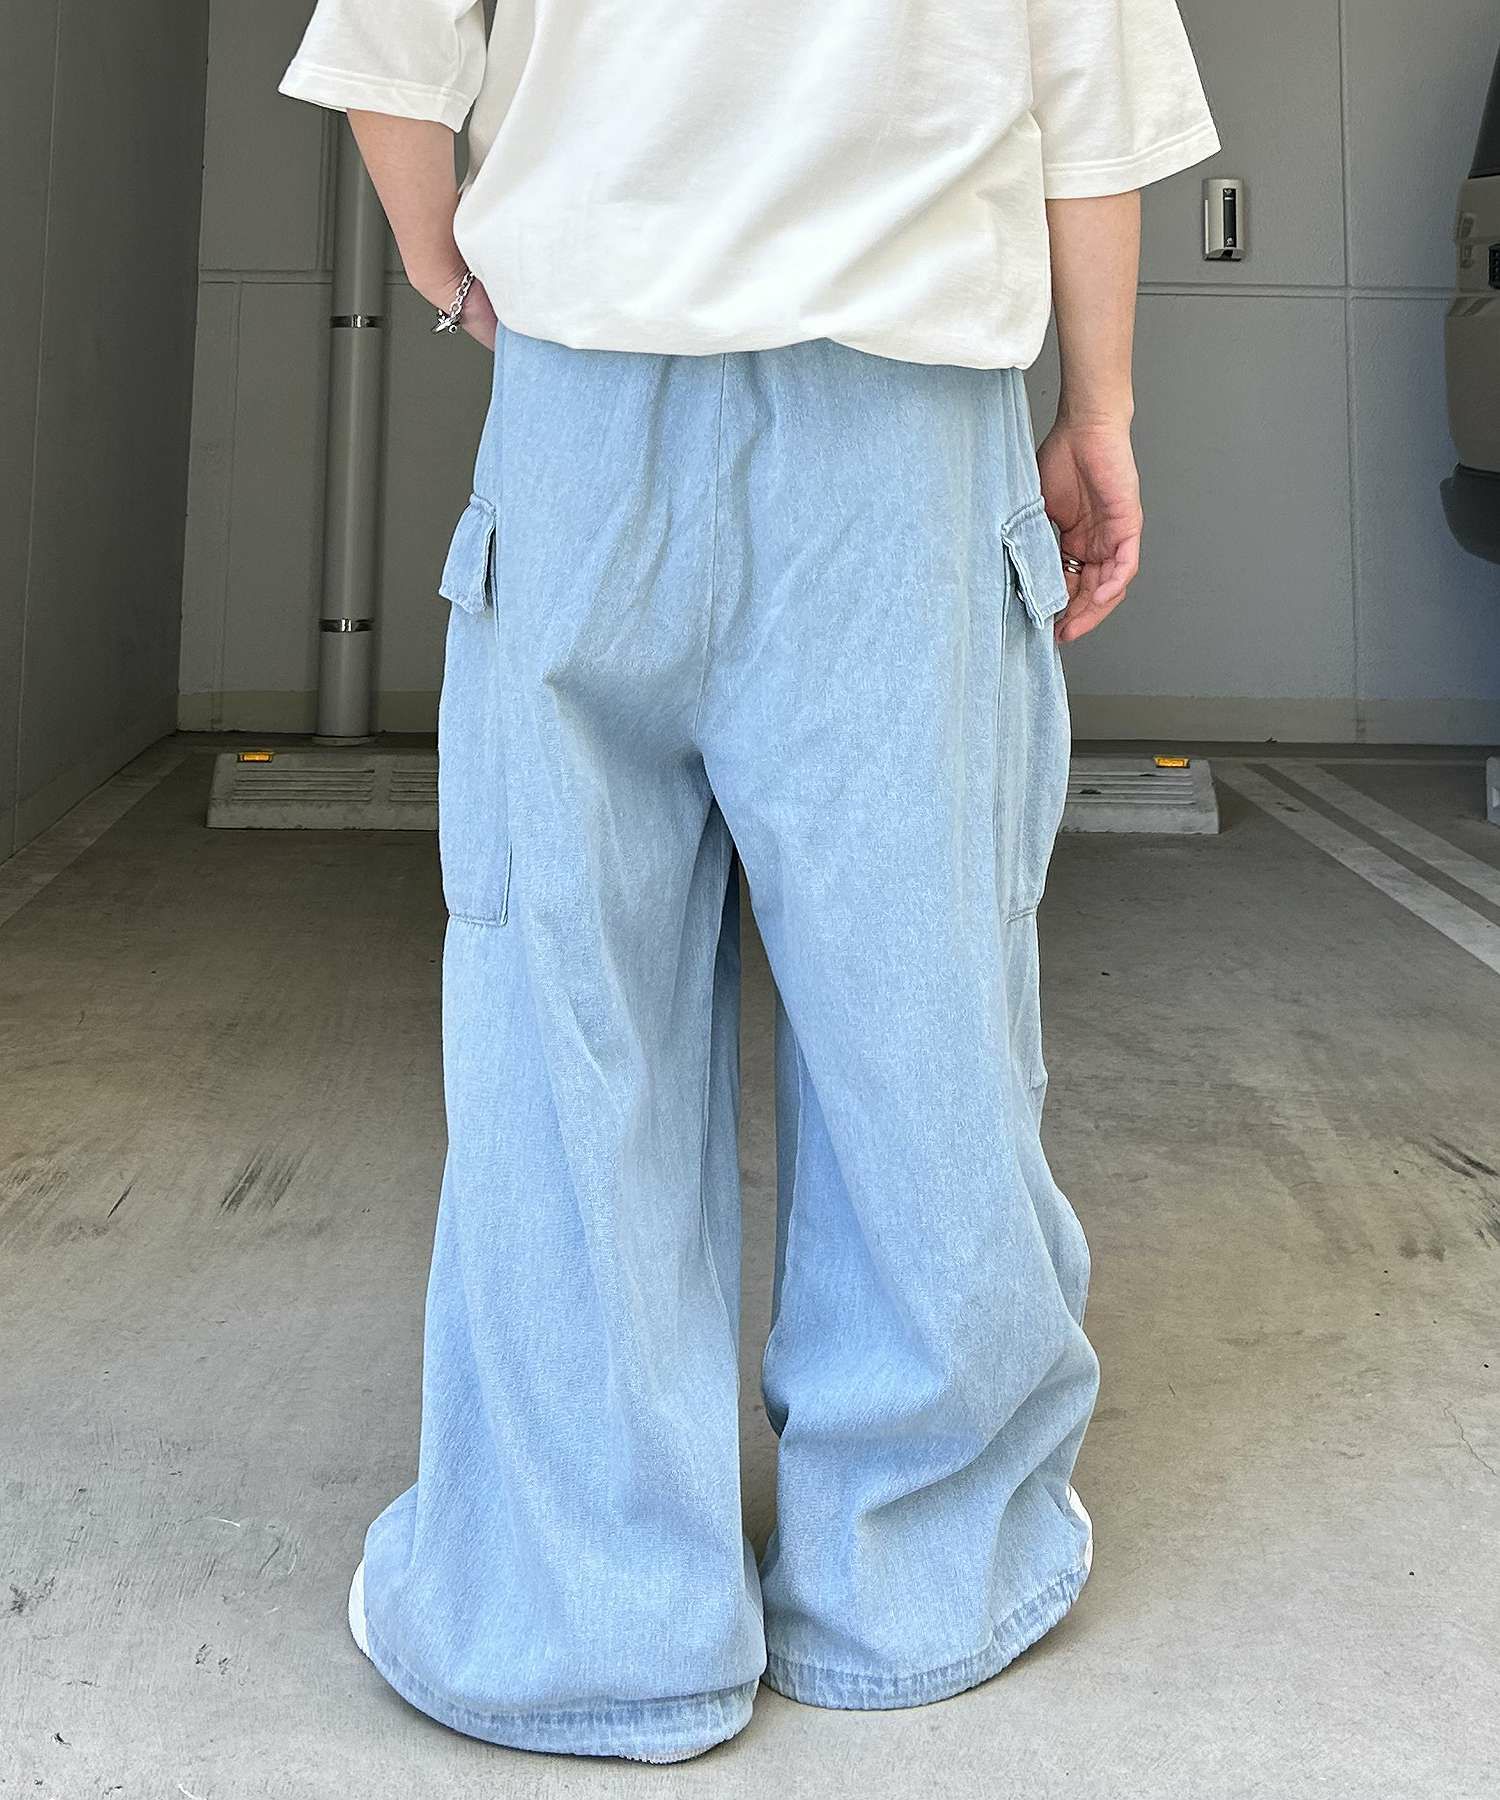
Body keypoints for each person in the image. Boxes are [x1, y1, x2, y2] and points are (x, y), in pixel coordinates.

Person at [280, 0, 1216, 1764]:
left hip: (587, 412)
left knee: (567, 1017)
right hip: (905, 432)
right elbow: (1092, 120)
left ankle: (583, 1616)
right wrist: (1097, 407)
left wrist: (453, 271)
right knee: (920, 1012)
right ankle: (917, 1575)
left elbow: (391, 62)